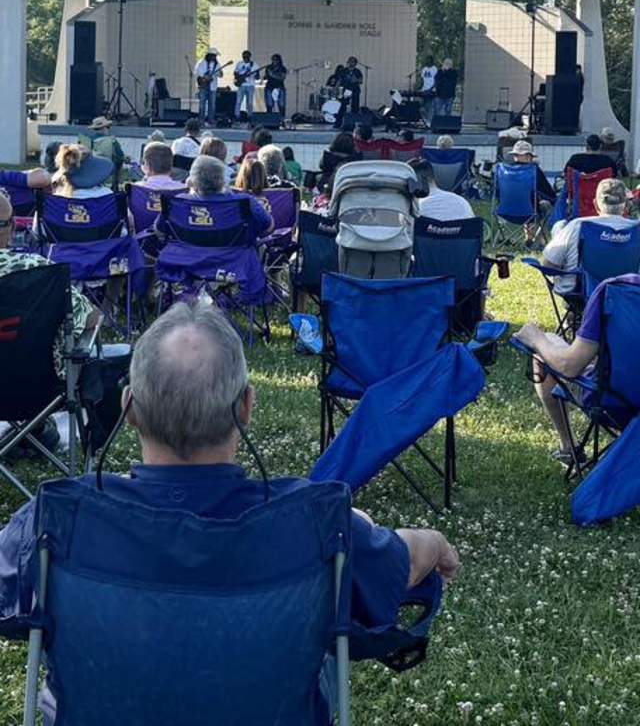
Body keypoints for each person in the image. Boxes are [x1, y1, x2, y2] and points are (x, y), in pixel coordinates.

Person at [0, 302, 459, 724]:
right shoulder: (315, 524)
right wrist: (432, 542)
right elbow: (402, 562)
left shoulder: (57, 519)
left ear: (129, 410)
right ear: (246, 407)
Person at [0, 191, 98, 455]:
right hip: (36, 388)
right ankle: (36, 429)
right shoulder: (38, 271)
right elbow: (92, 318)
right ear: (10, 228)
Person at [517, 272, 640, 466]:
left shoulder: (614, 290)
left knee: (548, 345)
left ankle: (568, 448)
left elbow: (569, 366)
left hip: (615, 403)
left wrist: (536, 339)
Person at [541, 178, 636, 295]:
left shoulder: (578, 226)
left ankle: (579, 313)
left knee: (559, 226)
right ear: (626, 205)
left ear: (596, 204)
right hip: (630, 295)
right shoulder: (637, 229)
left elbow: (549, 265)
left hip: (581, 295)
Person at [186, 156, 272, 239]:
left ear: (193, 180)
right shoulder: (245, 202)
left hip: (187, 253)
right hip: (237, 252)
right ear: (222, 179)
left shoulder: (180, 203)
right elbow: (268, 226)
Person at [508, 140, 556, 209]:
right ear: (527, 156)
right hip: (529, 211)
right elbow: (548, 191)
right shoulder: (534, 170)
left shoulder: (505, 171)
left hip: (506, 211)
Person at [90, 116, 126, 181]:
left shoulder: (87, 140)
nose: (109, 129)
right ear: (104, 128)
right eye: (108, 127)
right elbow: (120, 156)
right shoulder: (112, 141)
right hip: (108, 175)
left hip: (92, 175)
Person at [194, 49, 224, 126]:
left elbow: (220, 75)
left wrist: (220, 72)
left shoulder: (217, 65)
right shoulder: (202, 63)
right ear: (209, 55)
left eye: (215, 56)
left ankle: (211, 120)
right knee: (202, 104)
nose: (214, 57)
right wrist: (205, 78)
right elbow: (199, 74)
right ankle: (201, 121)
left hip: (212, 87)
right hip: (203, 87)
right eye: (213, 56)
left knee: (212, 104)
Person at [234, 51, 259, 120]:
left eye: (246, 56)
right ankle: (236, 116)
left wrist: (255, 74)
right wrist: (240, 77)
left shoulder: (254, 65)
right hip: (241, 85)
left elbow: (258, 77)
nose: (245, 58)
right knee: (238, 101)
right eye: (244, 56)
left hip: (250, 85)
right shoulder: (239, 64)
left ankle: (250, 116)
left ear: (249, 57)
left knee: (250, 102)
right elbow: (235, 73)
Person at [419, 55, 438, 125]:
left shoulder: (435, 69)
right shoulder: (424, 69)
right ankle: (425, 120)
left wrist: (431, 89)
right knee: (420, 106)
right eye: (426, 60)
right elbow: (422, 80)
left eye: (428, 60)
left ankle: (429, 122)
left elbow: (436, 81)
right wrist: (419, 88)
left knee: (429, 106)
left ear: (431, 61)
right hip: (423, 90)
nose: (427, 61)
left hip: (431, 91)